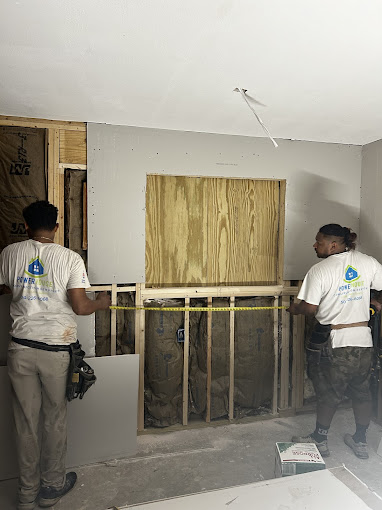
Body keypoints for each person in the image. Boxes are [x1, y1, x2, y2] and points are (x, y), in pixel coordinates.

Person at [0, 201, 111, 510]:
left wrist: (26, 291)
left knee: (25, 423)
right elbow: (80, 306)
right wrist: (101, 302)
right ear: (57, 227)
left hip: (20, 349)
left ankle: (25, 495)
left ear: (25, 226)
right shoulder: (69, 259)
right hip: (55, 351)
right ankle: (51, 489)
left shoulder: (9, 254)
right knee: (54, 421)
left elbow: (6, 287)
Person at [288, 223, 382, 460]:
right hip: (363, 341)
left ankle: (320, 440)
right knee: (362, 392)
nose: (314, 245)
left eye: (318, 241)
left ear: (332, 245)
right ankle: (360, 440)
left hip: (335, 342)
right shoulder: (367, 262)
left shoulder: (320, 270)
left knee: (328, 393)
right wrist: (375, 304)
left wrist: (295, 308)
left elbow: (310, 309)